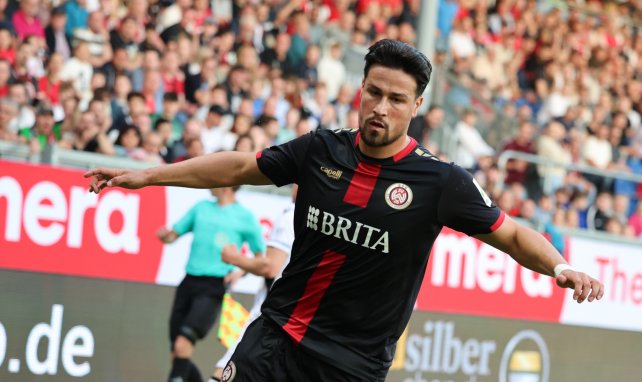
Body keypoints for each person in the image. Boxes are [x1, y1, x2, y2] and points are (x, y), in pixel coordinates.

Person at [86, 39, 604, 382]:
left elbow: (510, 235)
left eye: (396, 99)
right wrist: (150, 176)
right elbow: (240, 166)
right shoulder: (320, 149)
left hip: (350, 367)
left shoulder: (440, 182)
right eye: (373, 92)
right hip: (275, 338)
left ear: (416, 106)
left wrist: (559, 266)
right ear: (360, 89)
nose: (381, 107)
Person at [156, 186, 266, 382]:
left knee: (182, 344)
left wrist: (239, 272)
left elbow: (261, 259)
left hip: (213, 287)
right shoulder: (201, 208)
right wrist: (166, 236)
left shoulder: (245, 217)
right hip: (188, 282)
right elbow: (173, 235)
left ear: (226, 183)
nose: (208, 182)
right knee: (178, 353)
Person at [209, 186, 297, 382]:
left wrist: (235, 258)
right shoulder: (324, 217)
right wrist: (243, 270)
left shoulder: (292, 214)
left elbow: (270, 267)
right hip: (300, 315)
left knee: (229, 367)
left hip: (272, 309)